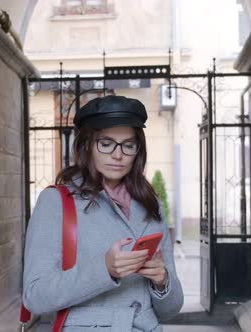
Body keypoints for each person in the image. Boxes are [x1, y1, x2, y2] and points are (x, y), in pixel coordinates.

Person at [23, 95, 183, 331]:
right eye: (106, 143)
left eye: (128, 145)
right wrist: (104, 269)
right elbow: (35, 296)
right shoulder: (57, 202)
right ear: (87, 144)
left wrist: (162, 281)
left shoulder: (151, 204)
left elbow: (170, 310)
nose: (118, 155)